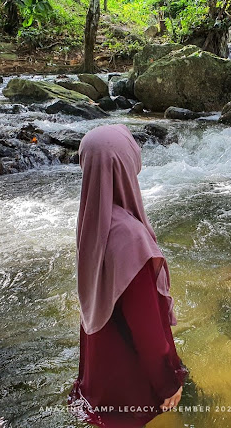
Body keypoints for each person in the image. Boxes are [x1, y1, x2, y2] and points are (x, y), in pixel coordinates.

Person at [68, 124, 187, 428]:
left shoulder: (91, 219)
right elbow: (145, 326)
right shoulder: (130, 237)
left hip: (101, 375)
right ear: (126, 166)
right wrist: (168, 383)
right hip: (131, 388)